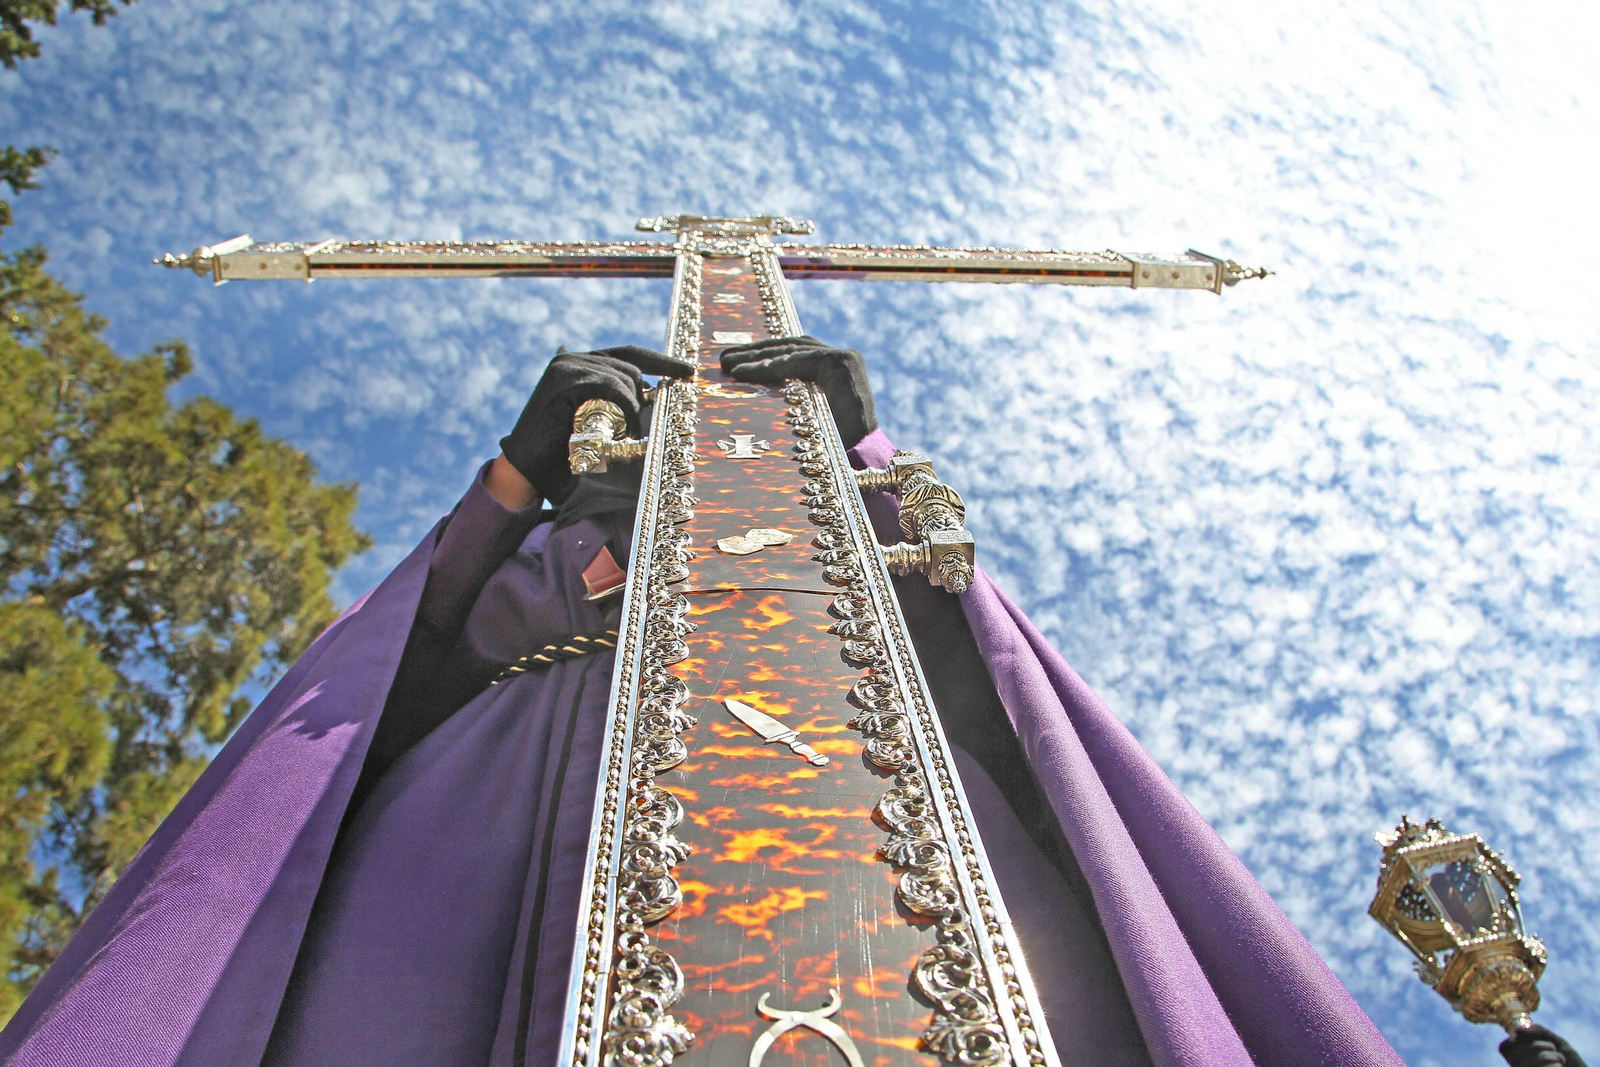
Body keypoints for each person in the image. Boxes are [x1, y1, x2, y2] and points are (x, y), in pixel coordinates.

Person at [0, 340, 1407, 1067]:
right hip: (481, 824)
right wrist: (515, 483)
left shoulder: (862, 527)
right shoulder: (532, 563)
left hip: (887, 814)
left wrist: (860, 455)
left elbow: (991, 678)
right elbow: (377, 692)